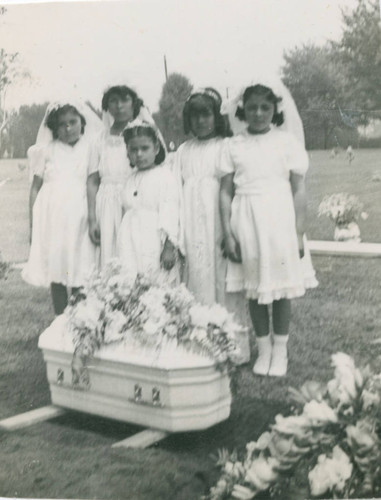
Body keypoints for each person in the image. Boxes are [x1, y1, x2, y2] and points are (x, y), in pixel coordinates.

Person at [220, 77, 318, 377]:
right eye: (252, 108)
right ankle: (263, 351)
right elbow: (225, 191)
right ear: (242, 111)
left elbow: (299, 189)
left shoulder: (286, 142)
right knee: (255, 289)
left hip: (279, 219)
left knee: (280, 290)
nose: (259, 113)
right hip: (246, 218)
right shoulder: (232, 145)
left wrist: (299, 232)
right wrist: (227, 233)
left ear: (275, 110)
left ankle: (280, 351)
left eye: (265, 107)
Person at [22, 100, 102, 315]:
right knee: (57, 268)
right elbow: (35, 188)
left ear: (82, 122)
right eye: (62, 124)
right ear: (53, 127)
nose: (68, 129)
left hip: (81, 213)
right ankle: (60, 319)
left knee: (81, 265)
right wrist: (33, 226)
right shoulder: (46, 150)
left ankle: (80, 319)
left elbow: (93, 181)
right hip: (52, 217)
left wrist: (94, 217)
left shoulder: (91, 148)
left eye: (72, 122)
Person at [173, 87, 233, 306]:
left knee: (219, 270)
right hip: (191, 222)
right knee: (196, 271)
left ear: (216, 116)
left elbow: (230, 188)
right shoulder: (183, 151)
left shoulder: (225, 146)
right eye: (194, 116)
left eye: (206, 114)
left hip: (216, 221)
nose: (200, 121)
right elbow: (175, 191)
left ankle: (224, 329)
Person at [87, 85, 155, 269]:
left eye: (125, 100)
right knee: (109, 254)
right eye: (113, 101)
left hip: (134, 202)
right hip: (106, 204)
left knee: (133, 253)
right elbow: (93, 180)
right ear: (107, 106)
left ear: (134, 103)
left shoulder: (143, 134)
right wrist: (92, 218)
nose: (119, 105)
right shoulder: (98, 139)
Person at [117, 120, 180, 284]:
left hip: (153, 238)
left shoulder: (164, 177)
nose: (139, 154)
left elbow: (171, 212)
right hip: (131, 239)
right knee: (132, 280)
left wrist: (168, 246)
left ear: (156, 148)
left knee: (155, 280)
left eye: (144, 148)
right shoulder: (130, 179)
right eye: (133, 150)